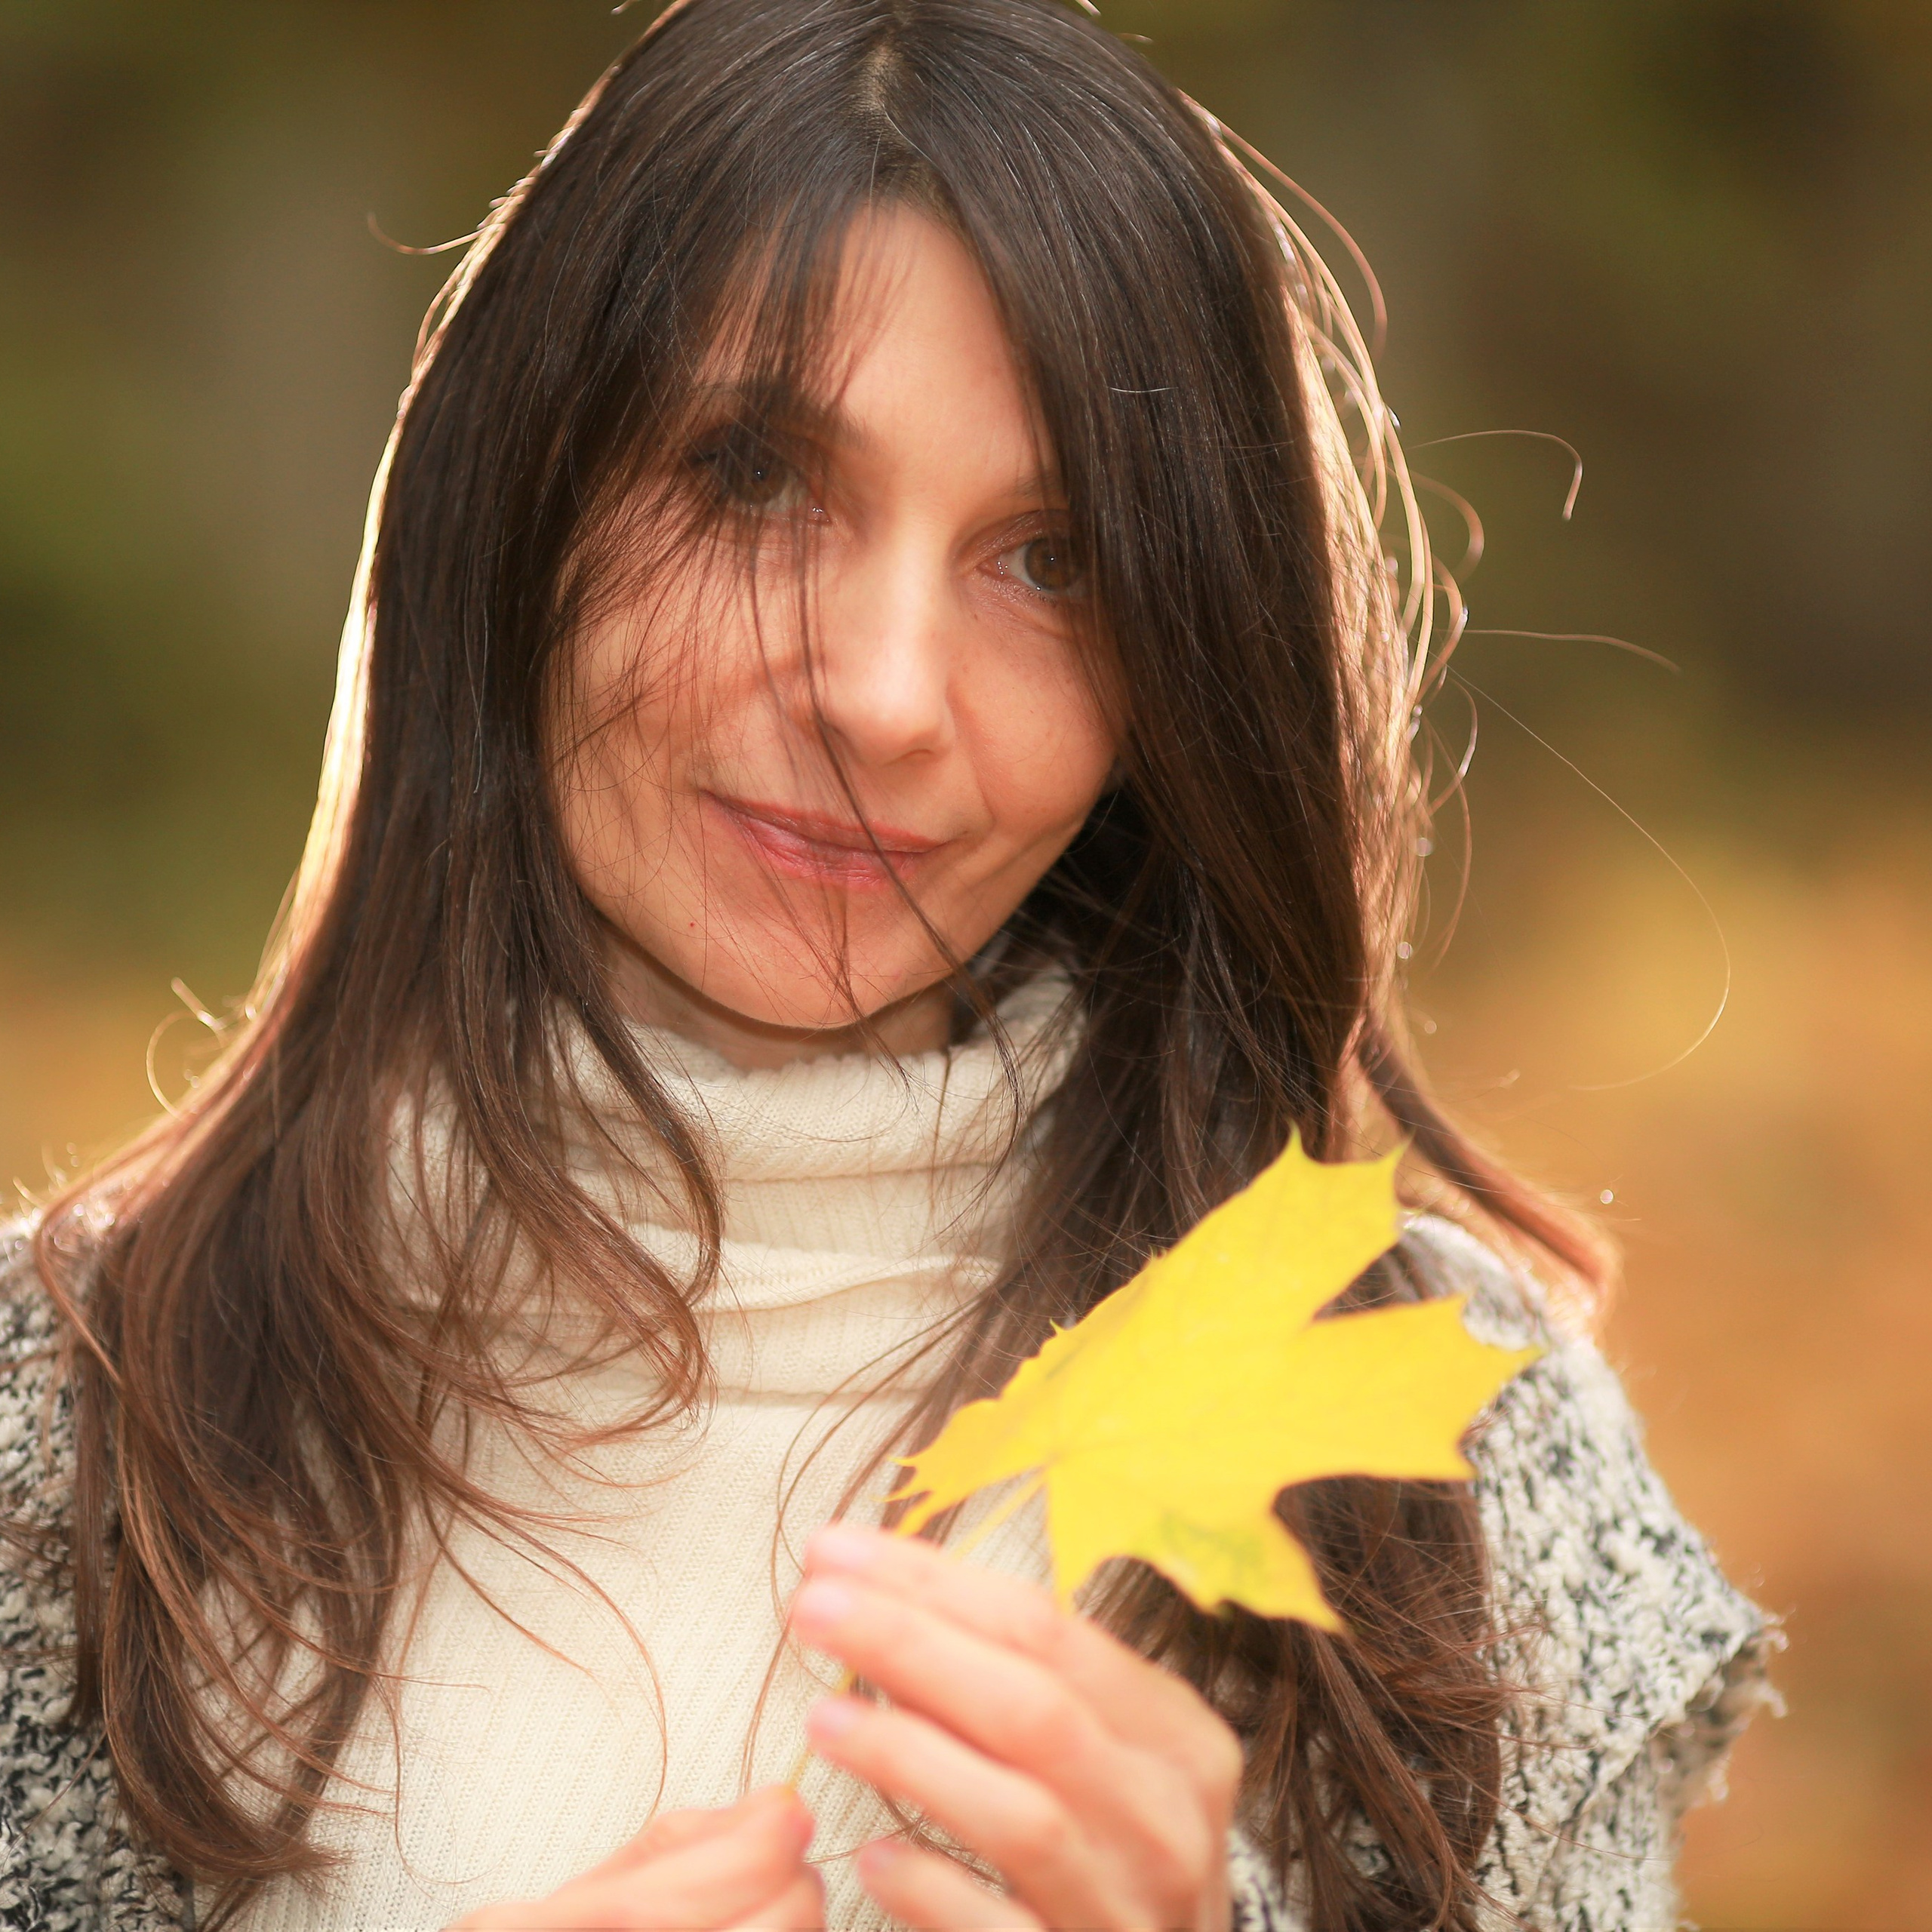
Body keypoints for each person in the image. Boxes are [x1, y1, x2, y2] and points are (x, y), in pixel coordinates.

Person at [0, 3, 1774, 1928]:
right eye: (754, 477)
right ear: (517, 513)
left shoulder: (1452, 1449)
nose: (885, 692)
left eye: (1052, 559)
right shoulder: (67, 1418)